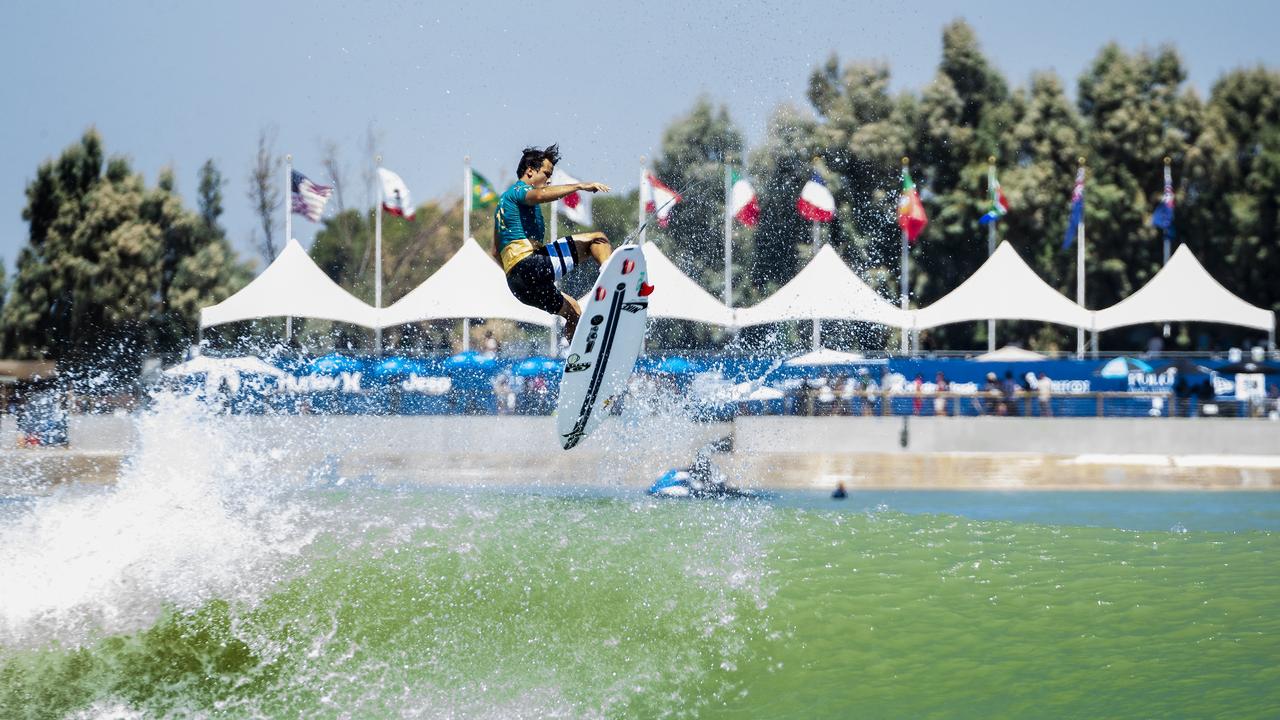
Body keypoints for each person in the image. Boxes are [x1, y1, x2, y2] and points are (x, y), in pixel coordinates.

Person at [494, 144, 612, 341]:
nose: (549, 180)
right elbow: (539, 195)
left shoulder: (502, 207)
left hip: (517, 285)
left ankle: (576, 359)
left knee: (573, 311)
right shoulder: (518, 191)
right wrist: (579, 186)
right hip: (530, 265)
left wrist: (520, 276)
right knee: (598, 239)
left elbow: (495, 252)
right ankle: (612, 283)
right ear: (530, 171)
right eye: (546, 173)